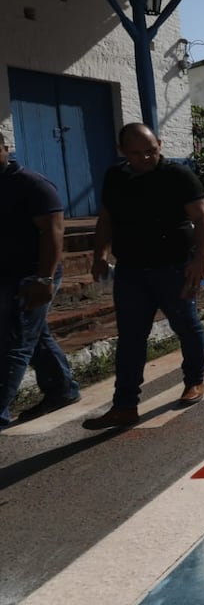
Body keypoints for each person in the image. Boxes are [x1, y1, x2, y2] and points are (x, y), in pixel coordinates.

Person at [82, 124, 204, 430]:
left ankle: (194, 381)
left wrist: (200, 258)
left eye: (151, 150)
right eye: (137, 153)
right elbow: (106, 219)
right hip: (130, 272)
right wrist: (100, 254)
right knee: (130, 339)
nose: (146, 158)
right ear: (122, 152)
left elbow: (202, 218)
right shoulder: (115, 177)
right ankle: (125, 406)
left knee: (186, 325)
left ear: (160, 144)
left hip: (175, 268)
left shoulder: (178, 176)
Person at [0, 132, 80, 429]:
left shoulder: (33, 185)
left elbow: (53, 233)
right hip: (6, 273)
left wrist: (44, 278)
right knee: (33, 335)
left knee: (15, 340)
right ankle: (62, 390)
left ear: (5, 148)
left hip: (34, 273)